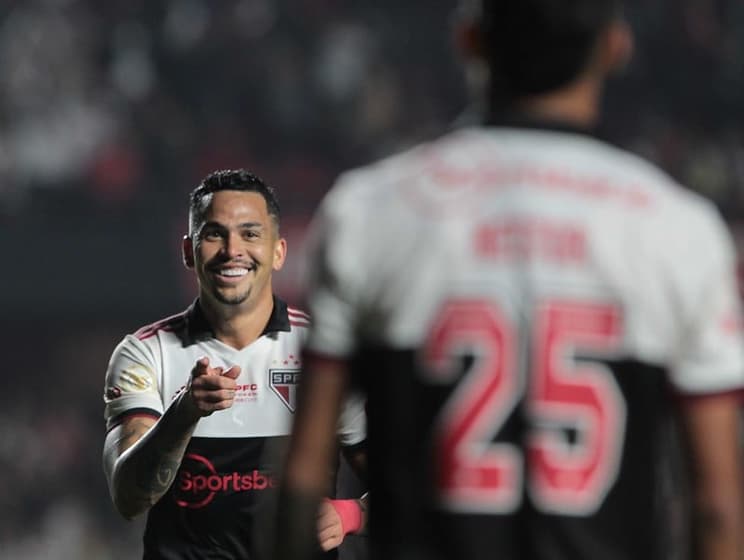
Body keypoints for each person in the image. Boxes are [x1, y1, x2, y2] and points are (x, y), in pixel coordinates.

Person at [275, 1, 744, 559]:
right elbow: (715, 506)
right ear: (617, 46)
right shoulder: (676, 228)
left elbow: (303, 478)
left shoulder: (368, 211)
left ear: (469, 40)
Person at [102, 169, 368, 559]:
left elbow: (408, 487)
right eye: (214, 234)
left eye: (250, 233)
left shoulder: (324, 353)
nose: (232, 250)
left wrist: (352, 513)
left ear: (278, 251)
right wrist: (184, 413)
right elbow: (129, 498)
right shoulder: (145, 352)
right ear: (188, 251)